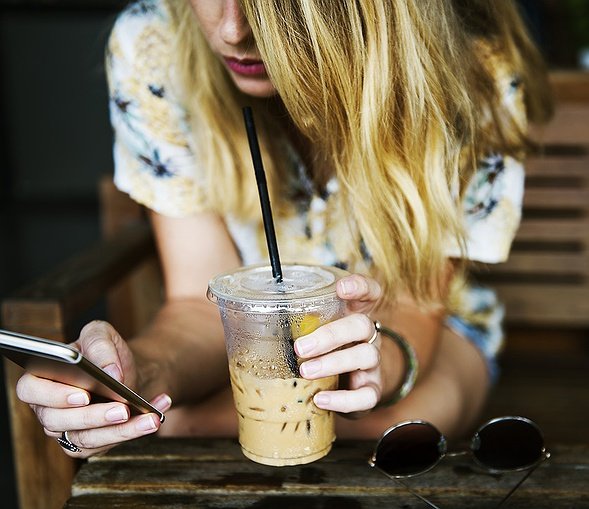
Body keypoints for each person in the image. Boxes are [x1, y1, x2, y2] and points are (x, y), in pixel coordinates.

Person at [16, 0, 552, 459]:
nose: (232, 30)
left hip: (422, 329)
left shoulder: (470, 73)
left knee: (389, 430)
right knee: (177, 421)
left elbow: (417, 305)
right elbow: (200, 305)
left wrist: (375, 365)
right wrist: (140, 378)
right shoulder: (154, 46)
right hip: (249, 343)